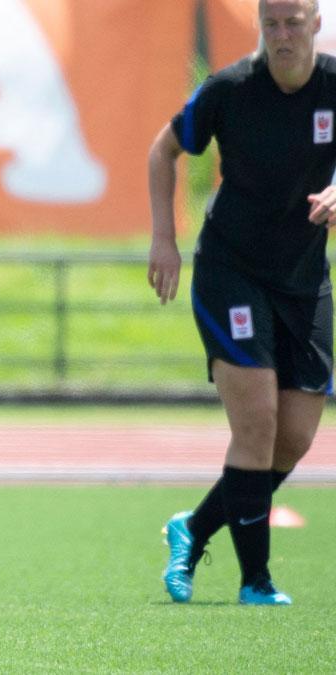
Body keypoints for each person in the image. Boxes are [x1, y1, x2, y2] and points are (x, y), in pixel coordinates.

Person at [148, 0, 335, 606]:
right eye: (271, 22)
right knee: (256, 422)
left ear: (316, 22)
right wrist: (164, 239)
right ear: (261, 25)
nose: (282, 34)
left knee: (295, 437)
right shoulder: (230, 89)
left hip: (304, 280)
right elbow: (163, 151)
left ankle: (194, 527)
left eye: (293, 21)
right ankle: (257, 582)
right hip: (232, 273)